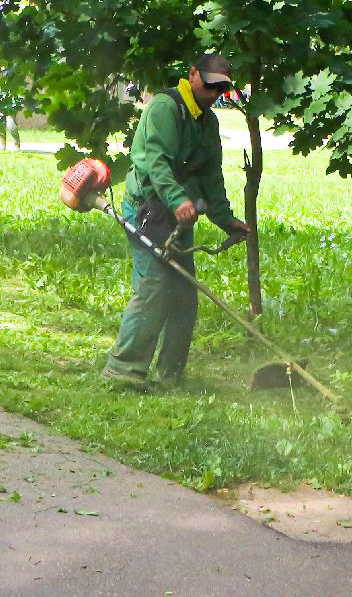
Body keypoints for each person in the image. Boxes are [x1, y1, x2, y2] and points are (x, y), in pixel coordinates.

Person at [103, 54, 251, 389]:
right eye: (210, 84)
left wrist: (227, 220)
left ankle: (169, 376)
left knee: (184, 294)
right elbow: (157, 162)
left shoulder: (208, 123)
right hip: (148, 209)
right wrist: (178, 199)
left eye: (222, 88)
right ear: (193, 74)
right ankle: (123, 369)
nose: (215, 93)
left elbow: (212, 177)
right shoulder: (165, 108)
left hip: (179, 216)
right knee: (155, 285)